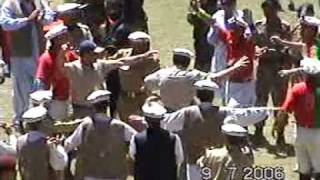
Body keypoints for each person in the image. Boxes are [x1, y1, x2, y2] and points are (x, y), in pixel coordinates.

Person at [56, 39, 157, 118]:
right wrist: (62, 52)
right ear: (85, 55)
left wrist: (143, 57)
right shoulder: (73, 67)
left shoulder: (100, 65)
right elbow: (60, 67)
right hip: (81, 109)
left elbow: (122, 61)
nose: (97, 56)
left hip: (101, 109)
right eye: (94, 54)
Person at [1, 0, 55, 127]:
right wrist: (26, 20)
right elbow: (5, 24)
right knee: (21, 89)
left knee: (39, 86)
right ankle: (20, 120)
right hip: (21, 54)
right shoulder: (10, 4)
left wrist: (43, 18)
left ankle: (39, 119)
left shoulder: (39, 2)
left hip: (39, 52)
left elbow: (49, 17)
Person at [144, 48, 249, 112]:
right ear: (188, 62)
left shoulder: (162, 73)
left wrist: (157, 97)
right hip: (187, 113)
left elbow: (147, 82)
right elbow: (215, 78)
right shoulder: (193, 75)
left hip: (166, 111)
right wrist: (235, 67)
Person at [64, 90, 137, 180]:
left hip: (90, 175)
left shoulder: (85, 126)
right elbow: (137, 139)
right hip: (114, 175)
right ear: (107, 107)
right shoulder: (120, 126)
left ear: (93, 107)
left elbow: (68, 144)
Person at [254, 0, 292, 145]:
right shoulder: (259, 25)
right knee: (261, 101)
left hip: (279, 67)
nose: (267, 13)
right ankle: (258, 130)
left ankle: (280, 133)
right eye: (265, 10)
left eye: (270, 10)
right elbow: (253, 44)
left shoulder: (284, 27)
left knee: (280, 103)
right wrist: (258, 51)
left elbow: (289, 47)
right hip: (263, 68)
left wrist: (278, 50)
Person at [278, 59, 320, 180]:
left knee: (303, 169)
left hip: (300, 132)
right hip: (318, 133)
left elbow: (284, 111)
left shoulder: (297, 89)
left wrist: (279, 129)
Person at [129, 100, 184, 180]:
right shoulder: (173, 138)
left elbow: (133, 156)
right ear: (161, 119)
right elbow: (179, 159)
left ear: (146, 119)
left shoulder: (136, 138)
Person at [34, 24, 77, 120]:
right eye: (65, 37)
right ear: (57, 40)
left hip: (71, 98)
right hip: (56, 100)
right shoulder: (46, 58)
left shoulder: (69, 54)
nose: (68, 39)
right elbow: (41, 81)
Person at [117, 31, 160, 122]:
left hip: (142, 98)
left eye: (143, 44)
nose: (140, 46)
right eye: (136, 44)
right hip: (125, 98)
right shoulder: (123, 53)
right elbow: (115, 62)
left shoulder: (151, 60)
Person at [17, 106, 68, 180]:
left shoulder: (20, 141)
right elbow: (60, 165)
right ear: (43, 123)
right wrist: (59, 147)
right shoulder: (48, 144)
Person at [187, 0, 217, 72]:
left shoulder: (218, 6)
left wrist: (198, 11)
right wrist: (192, 14)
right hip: (199, 40)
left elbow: (212, 21)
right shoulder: (198, 4)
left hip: (212, 42)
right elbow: (191, 20)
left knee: (209, 65)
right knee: (199, 63)